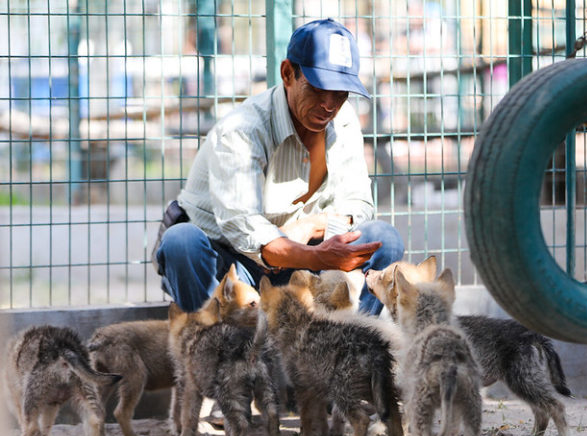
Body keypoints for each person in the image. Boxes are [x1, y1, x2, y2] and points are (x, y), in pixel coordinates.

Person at [153, 18, 403, 315]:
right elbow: (250, 235)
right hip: (231, 265)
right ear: (288, 74)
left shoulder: (343, 120)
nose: (329, 104)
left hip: (304, 258)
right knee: (181, 242)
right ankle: (217, 348)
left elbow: (358, 204)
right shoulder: (241, 130)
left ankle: (339, 349)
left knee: (383, 239)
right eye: (318, 88)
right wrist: (304, 250)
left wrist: (313, 225)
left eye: (340, 93)